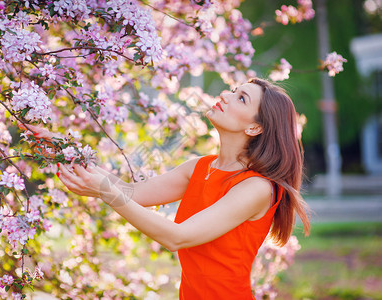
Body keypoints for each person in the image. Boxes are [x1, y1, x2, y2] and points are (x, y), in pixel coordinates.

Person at [26, 78, 310, 299]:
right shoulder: (200, 167)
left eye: (241, 98)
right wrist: (66, 151)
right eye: (233, 89)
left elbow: (178, 237)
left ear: (255, 128)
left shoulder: (256, 188)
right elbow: (131, 192)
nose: (225, 95)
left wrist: (103, 191)